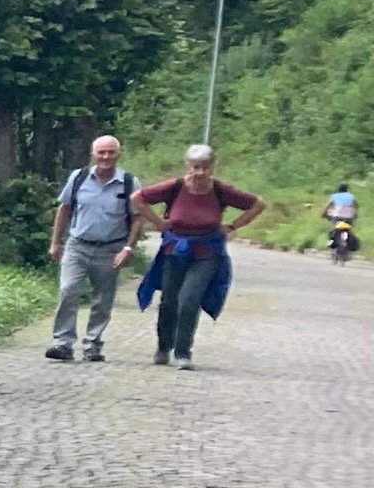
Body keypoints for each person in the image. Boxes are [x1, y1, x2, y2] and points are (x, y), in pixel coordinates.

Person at [132, 143, 263, 368]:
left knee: (189, 300)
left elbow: (257, 204)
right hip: (174, 251)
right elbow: (137, 198)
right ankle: (164, 346)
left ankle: (183, 352)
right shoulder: (175, 187)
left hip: (207, 253)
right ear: (188, 166)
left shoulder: (220, 190)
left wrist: (231, 226)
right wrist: (158, 222)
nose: (200, 172)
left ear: (213, 166)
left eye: (205, 167)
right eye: (195, 167)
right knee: (169, 300)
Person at [43, 134, 136, 362]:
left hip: (110, 249)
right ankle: (63, 343)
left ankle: (93, 344)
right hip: (77, 246)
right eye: (101, 152)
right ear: (93, 154)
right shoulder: (79, 177)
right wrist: (55, 242)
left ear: (118, 154)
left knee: (102, 300)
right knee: (68, 290)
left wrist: (128, 249)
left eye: (111, 152)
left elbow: (138, 218)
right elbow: (64, 209)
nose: (106, 157)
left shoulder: (129, 182)